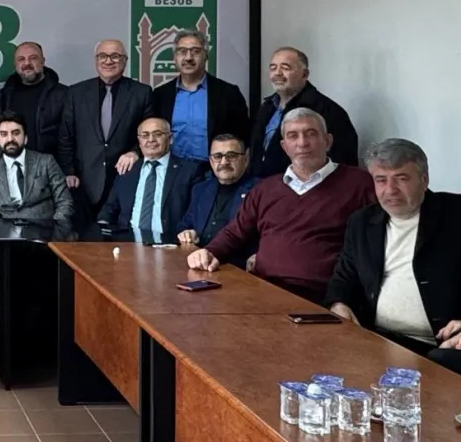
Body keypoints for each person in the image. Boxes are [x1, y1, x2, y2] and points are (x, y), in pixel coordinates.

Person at [187, 108, 376, 304]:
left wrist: (341, 300)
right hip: (262, 292)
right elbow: (235, 233)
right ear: (284, 146)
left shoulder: (360, 184)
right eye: (293, 136)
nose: (302, 143)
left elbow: (374, 247)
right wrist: (208, 251)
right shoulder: (265, 189)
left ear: (327, 141)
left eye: (310, 133)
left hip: (322, 298)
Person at [326, 139, 461, 374]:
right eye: (381, 180)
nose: (390, 190)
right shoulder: (362, 222)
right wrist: (340, 305)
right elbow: (343, 278)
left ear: (424, 179)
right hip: (378, 338)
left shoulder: (455, 214)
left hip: (444, 345)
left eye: (402, 178)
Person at [58, 39, 154, 217]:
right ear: (96, 60)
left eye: (115, 56)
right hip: (83, 182)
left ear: (125, 61)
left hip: (125, 178)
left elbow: (150, 133)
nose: (108, 61)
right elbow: (66, 136)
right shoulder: (76, 93)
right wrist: (68, 171)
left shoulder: (142, 93)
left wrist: (135, 152)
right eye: (103, 56)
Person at [248, 46, 358, 178]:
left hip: (304, 187)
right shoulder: (266, 107)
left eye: (285, 68)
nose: (277, 73)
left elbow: (343, 163)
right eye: (273, 68)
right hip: (264, 186)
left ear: (304, 74)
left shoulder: (327, 111)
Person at [150, 29, 250, 164]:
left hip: (214, 170)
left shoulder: (228, 93)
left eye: (195, 51)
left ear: (205, 56)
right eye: (182, 51)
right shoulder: (160, 95)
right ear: (175, 58)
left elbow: (243, 137)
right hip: (172, 170)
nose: (188, 58)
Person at [97, 118, 202, 237]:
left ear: (170, 139)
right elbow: (110, 207)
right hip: (128, 240)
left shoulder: (189, 171)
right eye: (145, 135)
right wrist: (102, 226)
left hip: (170, 241)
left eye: (157, 134)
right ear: (139, 141)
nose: (151, 140)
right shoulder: (128, 170)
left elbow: (196, 212)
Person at [0, 111, 74, 221]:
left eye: (16, 133)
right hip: (6, 230)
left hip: (44, 228)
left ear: (25, 138)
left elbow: (65, 202)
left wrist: (56, 227)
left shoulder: (46, 162)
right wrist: (1, 230)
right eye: (4, 134)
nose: (10, 139)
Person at [177, 134, 258, 263]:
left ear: (246, 158)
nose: (224, 162)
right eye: (217, 156)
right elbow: (185, 224)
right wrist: (186, 233)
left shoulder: (260, 190)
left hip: (239, 267)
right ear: (210, 160)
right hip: (201, 262)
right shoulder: (200, 189)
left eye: (231, 155)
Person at [0, 41, 67, 156]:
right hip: (13, 163)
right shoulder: (3, 96)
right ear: (15, 64)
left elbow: (69, 138)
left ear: (42, 61)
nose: (27, 63)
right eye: (21, 59)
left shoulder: (64, 95)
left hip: (51, 164)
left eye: (33, 58)